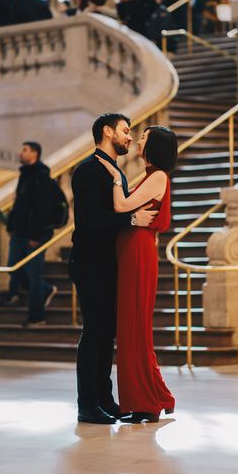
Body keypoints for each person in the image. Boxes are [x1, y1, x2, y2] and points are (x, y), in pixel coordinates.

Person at [69, 113, 159, 425]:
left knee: (107, 334)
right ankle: (87, 404)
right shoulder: (86, 170)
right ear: (107, 132)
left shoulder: (114, 171)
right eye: (125, 131)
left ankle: (105, 398)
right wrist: (131, 220)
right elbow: (91, 216)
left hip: (110, 262)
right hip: (90, 262)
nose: (129, 137)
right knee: (94, 331)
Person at [96, 125, 177, 423]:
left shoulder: (157, 176)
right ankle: (152, 398)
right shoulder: (151, 175)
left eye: (143, 137)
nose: (138, 140)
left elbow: (120, 205)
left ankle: (146, 403)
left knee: (134, 328)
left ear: (154, 145)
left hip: (138, 254)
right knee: (132, 329)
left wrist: (116, 177)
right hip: (133, 251)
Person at [5, 141, 57, 325]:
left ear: (34, 153)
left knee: (34, 275)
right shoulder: (24, 175)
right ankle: (46, 289)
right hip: (19, 233)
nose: (21, 152)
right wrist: (10, 227)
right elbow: (18, 204)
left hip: (35, 235)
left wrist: (36, 235)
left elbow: (43, 209)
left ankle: (37, 317)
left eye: (25, 150)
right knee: (13, 267)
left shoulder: (41, 176)